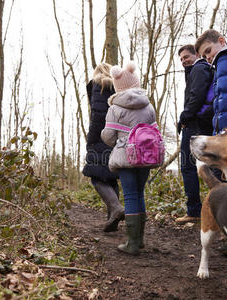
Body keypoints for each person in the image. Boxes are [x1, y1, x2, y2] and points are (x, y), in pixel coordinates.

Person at [101, 61, 157, 256]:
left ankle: (132, 244)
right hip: (147, 154)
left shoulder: (115, 108)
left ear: (118, 86)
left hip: (126, 156)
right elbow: (154, 129)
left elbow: (108, 136)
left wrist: (118, 138)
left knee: (130, 195)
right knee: (140, 193)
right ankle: (139, 240)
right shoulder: (148, 105)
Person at [175, 44, 214, 225]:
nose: (184, 61)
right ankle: (210, 210)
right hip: (203, 122)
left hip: (195, 124)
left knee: (188, 166)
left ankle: (195, 210)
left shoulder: (199, 69)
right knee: (211, 165)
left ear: (196, 54)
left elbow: (196, 96)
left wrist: (184, 116)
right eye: (181, 59)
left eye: (186, 57)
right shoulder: (201, 69)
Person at [82, 63, 124, 232]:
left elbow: (98, 115)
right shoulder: (118, 87)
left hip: (101, 136)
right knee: (110, 177)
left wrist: (91, 138)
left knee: (96, 176)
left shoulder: (98, 84)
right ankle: (112, 219)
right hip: (117, 137)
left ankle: (115, 208)